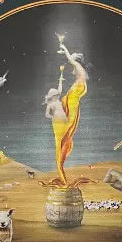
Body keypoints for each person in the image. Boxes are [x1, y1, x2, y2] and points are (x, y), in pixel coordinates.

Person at [43, 41, 88, 186]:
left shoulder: (81, 76)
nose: (72, 69)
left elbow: (72, 62)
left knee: (61, 145)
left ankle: (62, 177)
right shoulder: (77, 82)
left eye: (74, 65)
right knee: (60, 146)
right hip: (65, 117)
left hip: (69, 118)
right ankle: (62, 178)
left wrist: (64, 49)